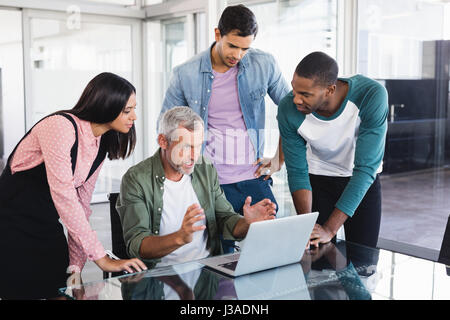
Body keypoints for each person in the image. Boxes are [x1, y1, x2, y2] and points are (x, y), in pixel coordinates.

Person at [0, 72, 147, 300]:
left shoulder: (100, 144)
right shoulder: (60, 126)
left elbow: (81, 207)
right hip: (10, 227)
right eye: (127, 110)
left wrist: (76, 269)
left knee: (61, 289)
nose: (134, 116)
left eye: (133, 109)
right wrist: (102, 258)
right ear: (106, 105)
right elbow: (64, 196)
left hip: (46, 226)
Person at [160, 4, 290, 253]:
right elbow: (167, 125)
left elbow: (291, 110)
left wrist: (278, 159)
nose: (238, 55)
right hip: (209, 184)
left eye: (245, 48)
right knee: (218, 263)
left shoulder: (264, 64)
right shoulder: (185, 73)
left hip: (255, 178)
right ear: (217, 34)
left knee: (274, 253)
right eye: (232, 46)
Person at [116, 106, 277, 269]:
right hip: (160, 276)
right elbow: (136, 245)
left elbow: (225, 218)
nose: (194, 156)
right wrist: (179, 237)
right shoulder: (136, 179)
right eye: (186, 147)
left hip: (208, 273)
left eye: (198, 145)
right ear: (163, 141)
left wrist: (247, 223)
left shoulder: (204, 168)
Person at [277, 52, 388, 248]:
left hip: (360, 182)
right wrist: (307, 228)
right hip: (318, 179)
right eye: (294, 90)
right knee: (316, 260)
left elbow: (365, 168)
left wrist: (330, 229)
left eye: (305, 94)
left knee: (363, 261)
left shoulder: (371, 95)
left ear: (329, 90)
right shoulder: (288, 108)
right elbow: (296, 170)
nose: (296, 100)